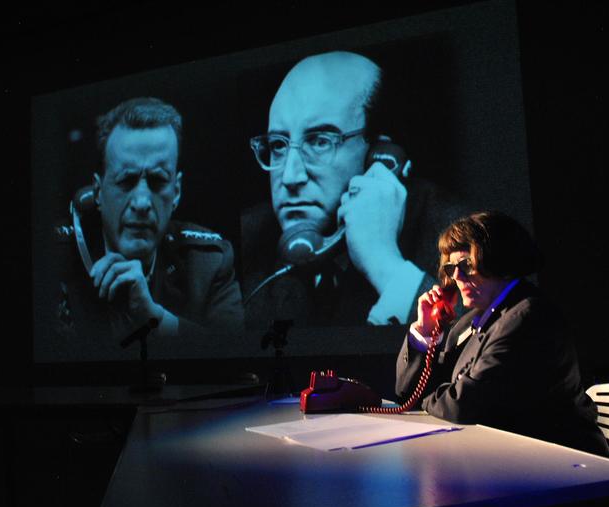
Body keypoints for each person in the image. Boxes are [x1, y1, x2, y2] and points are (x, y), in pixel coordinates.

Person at [240, 51, 465, 329]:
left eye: (320, 142)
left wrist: (386, 266)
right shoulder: (247, 243)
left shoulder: (459, 236)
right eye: (278, 145)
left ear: (381, 156)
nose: (289, 176)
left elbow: (484, 347)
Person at [396, 211, 609, 455]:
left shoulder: (527, 317)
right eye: (450, 267)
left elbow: (462, 406)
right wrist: (424, 331)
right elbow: (406, 392)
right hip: (506, 453)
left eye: (466, 265)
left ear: (501, 261)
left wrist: (425, 395)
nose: (455, 276)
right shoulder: (469, 321)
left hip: (559, 460)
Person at [51, 97, 243, 358]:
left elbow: (237, 356)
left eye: (157, 180)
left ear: (176, 192)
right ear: (97, 192)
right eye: (126, 180)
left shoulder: (208, 263)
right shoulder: (55, 257)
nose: (141, 202)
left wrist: (156, 319)